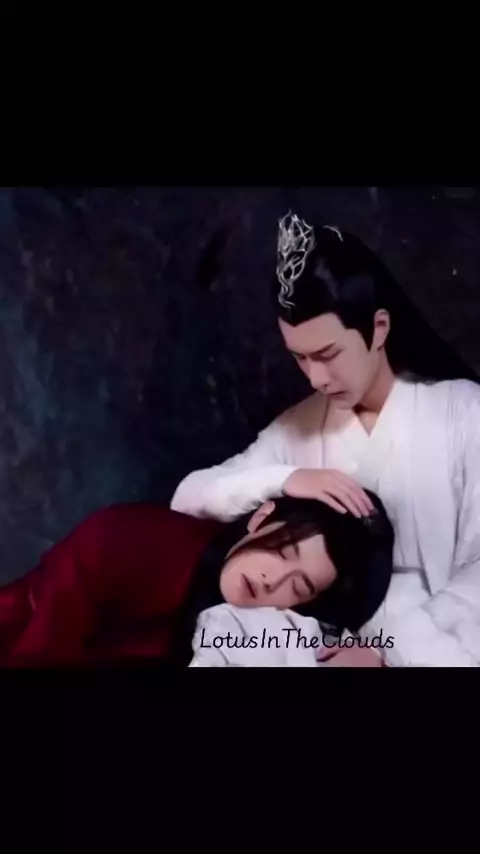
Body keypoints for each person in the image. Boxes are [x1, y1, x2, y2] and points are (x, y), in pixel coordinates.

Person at [171, 212, 480, 667]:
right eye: (300, 358)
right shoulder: (298, 428)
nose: (316, 377)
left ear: (378, 328)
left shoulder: (463, 412)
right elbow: (188, 497)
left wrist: (389, 651)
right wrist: (286, 478)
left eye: (328, 354)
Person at [0, 490, 393, 667]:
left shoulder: (262, 633)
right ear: (261, 519)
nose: (271, 581)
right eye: (282, 551)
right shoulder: (127, 538)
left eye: (298, 586)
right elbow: (41, 649)